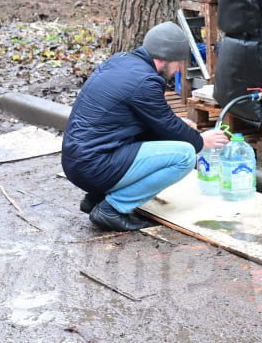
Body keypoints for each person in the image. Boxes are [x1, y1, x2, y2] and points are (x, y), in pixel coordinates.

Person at [62, 21, 229, 231]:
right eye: (178, 62)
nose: (178, 68)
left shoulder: (120, 62)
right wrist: (201, 141)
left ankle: (96, 197)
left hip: (77, 160)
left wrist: (179, 126)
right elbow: (166, 124)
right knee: (185, 155)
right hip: (94, 166)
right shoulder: (145, 82)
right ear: (165, 59)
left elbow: (154, 121)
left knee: (171, 140)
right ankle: (112, 208)